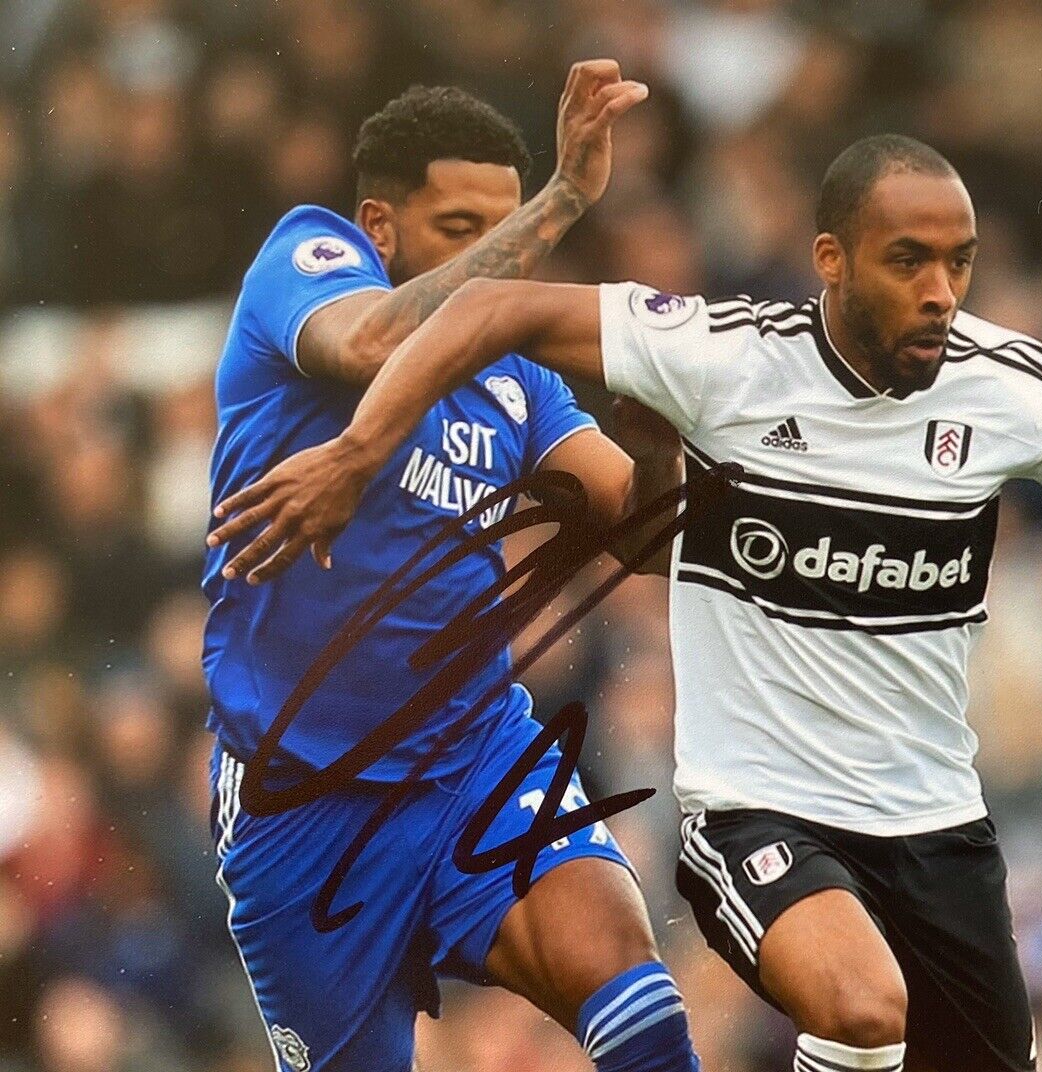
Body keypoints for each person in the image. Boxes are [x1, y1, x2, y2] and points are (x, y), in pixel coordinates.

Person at [207, 134, 1042, 1072]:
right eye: (910, 260)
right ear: (831, 260)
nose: (941, 291)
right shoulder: (712, 352)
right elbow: (440, 317)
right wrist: (362, 451)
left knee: (643, 1004)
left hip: (915, 819)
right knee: (858, 1011)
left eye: (961, 262)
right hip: (659, 804)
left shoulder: (1009, 388)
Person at [201, 67, 702, 1072]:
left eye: (504, 227)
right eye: (460, 227)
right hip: (306, 803)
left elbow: (647, 538)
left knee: (633, 988)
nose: (492, 263)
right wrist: (562, 201)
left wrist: (654, 442)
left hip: (472, 755)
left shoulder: (519, 382)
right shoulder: (305, 258)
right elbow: (377, 340)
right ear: (378, 226)